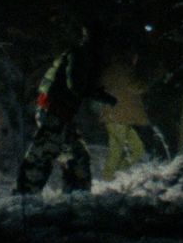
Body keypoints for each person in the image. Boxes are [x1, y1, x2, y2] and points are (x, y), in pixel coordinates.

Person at [16, 23, 113, 195]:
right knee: (41, 157)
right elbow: (74, 86)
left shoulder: (81, 55)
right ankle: (24, 196)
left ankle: (77, 195)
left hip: (58, 114)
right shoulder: (79, 55)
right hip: (53, 113)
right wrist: (99, 95)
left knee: (77, 156)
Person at [97, 49, 150, 180]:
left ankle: (117, 174)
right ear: (132, 57)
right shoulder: (126, 69)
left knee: (137, 148)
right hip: (118, 117)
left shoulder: (111, 69)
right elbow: (136, 87)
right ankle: (107, 178)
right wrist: (148, 82)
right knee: (117, 151)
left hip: (118, 116)